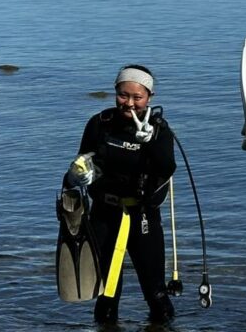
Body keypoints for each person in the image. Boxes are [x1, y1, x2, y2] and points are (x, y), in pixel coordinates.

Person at [66, 64, 177, 325]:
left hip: (143, 216)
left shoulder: (159, 130)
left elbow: (167, 168)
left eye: (137, 97)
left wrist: (150, 143)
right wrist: (76, 175)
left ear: (149, 97)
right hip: (104, 215)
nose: (129, 103)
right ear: (115, 92)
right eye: (123, 95)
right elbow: (80, 162)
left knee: (156, 293)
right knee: (106, 294)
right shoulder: (100, 123)